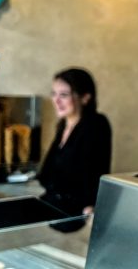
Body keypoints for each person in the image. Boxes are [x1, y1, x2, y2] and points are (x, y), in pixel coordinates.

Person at [38, 67, 112, 229]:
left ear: (85, 98)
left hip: (75, 215)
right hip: (51, 207)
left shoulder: (96, 124)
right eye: (54, 94)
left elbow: (99, 169)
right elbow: (48, 174)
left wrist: (91, 204)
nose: (56, 101)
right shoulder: (63, 125)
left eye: (63, 95)